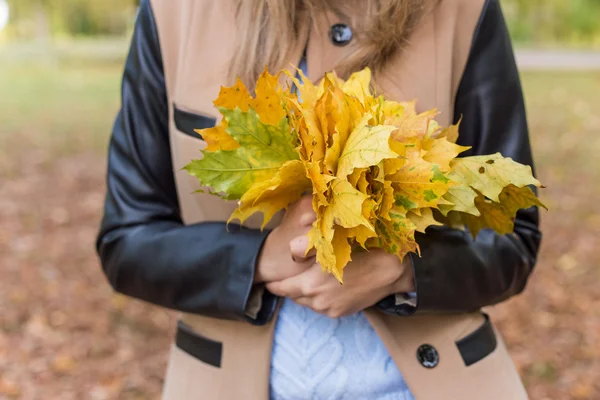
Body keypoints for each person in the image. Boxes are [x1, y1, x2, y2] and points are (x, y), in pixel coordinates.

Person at [96, 0, 542, 398]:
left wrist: (403, 270)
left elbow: (514, 238)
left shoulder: (462, 10)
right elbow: (127, 240)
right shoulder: (172, 12)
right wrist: (260, 259)